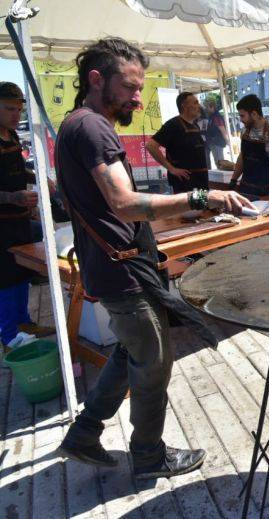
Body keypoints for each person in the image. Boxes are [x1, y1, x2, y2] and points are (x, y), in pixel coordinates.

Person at [56, 37, 252, 480]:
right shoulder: (91, 127)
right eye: (129, 87)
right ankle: (148, 455)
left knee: (131, 353)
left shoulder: (78, 124)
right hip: (122, 273)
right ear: (96, 79)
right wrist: (202, 197)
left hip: (115, 266)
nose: (138, 98)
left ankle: (84, 433)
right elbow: (123, 203)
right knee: (153, 365)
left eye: (140, 88)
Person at [0, 82, 55, 349]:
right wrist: (11, 197)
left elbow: (20, 172)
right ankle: (9, 337)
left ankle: (24, 323)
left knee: (23, 273)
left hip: (20, 219)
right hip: (1, 225)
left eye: (18, 109)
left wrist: (41, 179)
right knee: (5, 278)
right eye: (9, 108)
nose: (16, 114)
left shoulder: (11, 136)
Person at [146, 92, 208, 194]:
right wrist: (171, 169)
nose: (199, 106)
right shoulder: (173, 125)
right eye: (196, 103)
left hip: (200, 181)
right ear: (184, 106)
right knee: (190, 208)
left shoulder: (195, 125)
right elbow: (151, 146)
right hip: (185, 184)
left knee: (201, 208)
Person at [204, 99, 229, 169]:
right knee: (217, 161)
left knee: (220, 162)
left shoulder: (216, 117)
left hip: (217, 142)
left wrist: (227, 140)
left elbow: (222, 129)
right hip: (214, 142)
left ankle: (223, 177)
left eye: (207, 107)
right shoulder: (212, 116)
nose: (206, 109)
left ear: (212, 107)